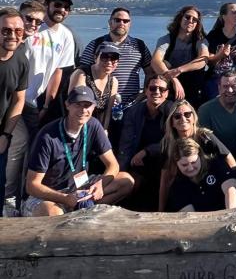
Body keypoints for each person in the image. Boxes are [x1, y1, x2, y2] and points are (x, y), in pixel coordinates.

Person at [22, 86, 134, 217]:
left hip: (81, 187)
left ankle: (86, 213)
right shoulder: (47, 136)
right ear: (67, 105)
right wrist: (65, 198)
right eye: (78, 105)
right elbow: (32, 186)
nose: (83, 110)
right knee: (53, 213)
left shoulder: (93, 125)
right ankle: (77, 215)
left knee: (126, 180)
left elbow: (113, 165)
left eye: (87, 105)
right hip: (51, 193)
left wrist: (100, 185)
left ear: (94, 107)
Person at [158, 100, 236, 211]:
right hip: (186, 188)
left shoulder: (205, 137)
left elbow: (228, 158)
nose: (183, 119)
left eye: (187, 114)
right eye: (177, 116)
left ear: (194, 117)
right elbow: (165, 179)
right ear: (172, 122)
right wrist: (160, 211)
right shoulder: (167, 144)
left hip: (212, 180)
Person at [117, 75, 172, 211]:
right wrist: (122, 171)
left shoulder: (173, 111)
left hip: (165, 161)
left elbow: (174, 141)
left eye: (161, 89)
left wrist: (147, 151)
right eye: (152, 88)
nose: (157, 92)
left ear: (167, 93)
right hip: (139, 165)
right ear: (146, 91)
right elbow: (126, 144)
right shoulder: (133, 112)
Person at [24, 0, 75, 134]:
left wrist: (46, 106)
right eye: (58, 5)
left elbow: (57, 72)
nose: (62, 10)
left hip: (34, 102)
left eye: (66, 7)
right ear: (47, 5)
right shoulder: (33, 26)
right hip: (14, 96)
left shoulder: (66, 36)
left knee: (29, 144)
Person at [80, 7, 152, 106]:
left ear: (129, 24)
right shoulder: (96, 44)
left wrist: (144, 93)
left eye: (125, 21)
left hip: (131, 106)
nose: (121, 23)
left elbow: (150, 73)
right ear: (110, 22)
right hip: (101, 105)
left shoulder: (139, 46)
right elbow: (82, 72)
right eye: (117, 20)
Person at [0, 8, 28, 216]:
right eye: (6, 31)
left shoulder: (21, 60)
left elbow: (19, 100)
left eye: (18, 31)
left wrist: (5, 135)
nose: (12, 35)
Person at [152, 5, 209, 108]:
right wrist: (174, 79)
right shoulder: (166, 40)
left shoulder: (200, 41)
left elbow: (203, 59)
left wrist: (179, 70)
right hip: (170, 86)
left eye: (195, 19)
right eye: (187, 17)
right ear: (180, 18)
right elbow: (155, 61)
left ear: (197, 24)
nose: (190, 21)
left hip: (193, 88)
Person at [163, 137, 236, 212]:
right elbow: (190, 215)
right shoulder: (177, 186)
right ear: (176, 164)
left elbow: (230, 189)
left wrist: (230, 214)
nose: (190, 168)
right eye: (184, 165)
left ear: (200, 156)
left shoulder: (217, 165)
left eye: (193, 162)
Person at [197, 72, 236, 158]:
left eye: (234, 86)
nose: (230, 90)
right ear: (219, 87)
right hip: (218, 159)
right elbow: (206, 142)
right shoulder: (205, 110)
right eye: (225, 86)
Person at [205, 3, 236, 100]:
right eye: (234, 13)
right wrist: (220, 55)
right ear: (224, 16)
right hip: (216, 78)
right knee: (216, 98)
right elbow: (209, 62)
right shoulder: (213, 35)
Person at [69, 43, 119, 131]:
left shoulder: (113, 81)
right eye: (104, 57)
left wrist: (104, 130)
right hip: (77, 125)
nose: (109, 62)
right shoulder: (82, 74)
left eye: (114, 58)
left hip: (97, 128)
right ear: (95, 58)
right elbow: (76, 107)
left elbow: (108, 112)